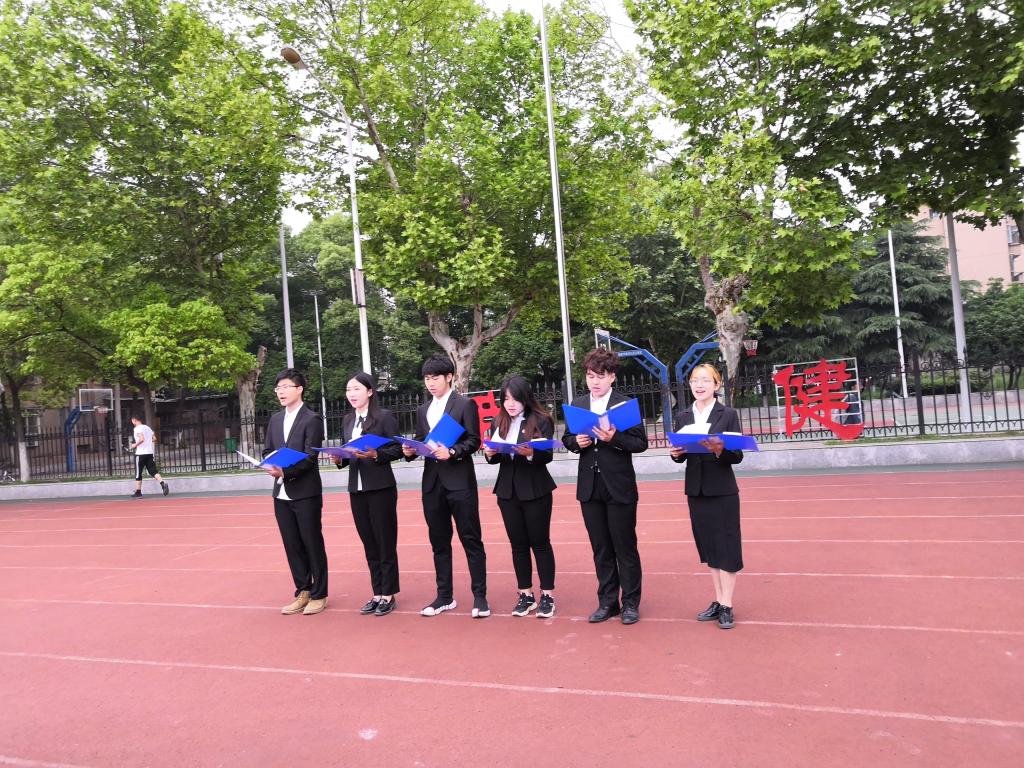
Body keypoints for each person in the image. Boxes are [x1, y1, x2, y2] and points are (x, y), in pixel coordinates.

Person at [562, 348, 648, 625]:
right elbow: (567, 438)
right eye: (590, 376)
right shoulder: (579, 404)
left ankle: (631, 603)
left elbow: (640, 443)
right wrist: (577, 442)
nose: (595, 381)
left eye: (600, 376)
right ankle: (608, 602)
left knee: (625, 546)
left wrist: (614, 438)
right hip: (590, 486)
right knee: (601, 548)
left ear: (612, 376)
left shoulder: (625, 405)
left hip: (619, 486)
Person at [402, 354, 489, 618]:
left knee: (470, 539)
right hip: (432, 484)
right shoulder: (423, 410)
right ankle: (444, 596)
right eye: (427, 379)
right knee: (439, 542)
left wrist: (452, 452)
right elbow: (421, 440)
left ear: (449, 377)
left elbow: (474, 440)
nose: (430, 383)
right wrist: (410, 450)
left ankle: (480, 597)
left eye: (435, 378)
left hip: (459, 481)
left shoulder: (464, 404)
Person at [669, 363, 745, 630]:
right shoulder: (682, 416)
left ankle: (727, 604)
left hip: (722, 489)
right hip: (696, 490)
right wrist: (676, 454)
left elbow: (737, 455)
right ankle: (718, 599)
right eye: (694, 380)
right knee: (709, 546)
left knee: (727, 546)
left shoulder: (728, 414)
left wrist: (718, 449)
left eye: (705, 380)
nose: (699, 385)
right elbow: (681, 455)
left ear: (716, 384)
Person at [483, 376, 558, 618]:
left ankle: (547, 595)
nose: (510, 404)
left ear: (525, 397)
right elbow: (495, 457)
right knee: (518, 545)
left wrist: (530, 454)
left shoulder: (541, 419)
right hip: (507, 491)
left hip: (536, 490)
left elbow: (547, 456)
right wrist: (490, 453)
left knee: (540, 542)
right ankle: (525, 594)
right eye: (506, 399)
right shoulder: (498, 421)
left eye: (515, 399)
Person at [333, 372, 404, 616]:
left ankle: (389, 593)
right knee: (369, 543)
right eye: (348, 390)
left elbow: (398, 449)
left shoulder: (384, 417)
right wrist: (339, 458)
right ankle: (377, 592)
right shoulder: (347, 420)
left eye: (356, 389)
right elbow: (348, 453)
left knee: (385, 541)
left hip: (381, 487)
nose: (351, 394)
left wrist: (376, 454)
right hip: (357, 488)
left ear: (370, 391)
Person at [264, 369, 328, 616]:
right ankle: (303, 590)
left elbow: (311, 457)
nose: (281, 392)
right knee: (292, 544)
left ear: (299, 389)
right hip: (281, 493)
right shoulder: (275, 419)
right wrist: (269, 464)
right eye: (278, 388)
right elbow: (268, 449)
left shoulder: (312, 419)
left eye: (286, 387)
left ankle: (319, 594)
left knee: (312, 543)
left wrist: (286, 471)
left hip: (305, 492)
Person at [128, 415, 169, 498]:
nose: (132, 422)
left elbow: (142, 439)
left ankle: (138, 492)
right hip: (149, 453)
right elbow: (154, 439)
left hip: (140, 454)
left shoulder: (137, 428)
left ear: (134, 420)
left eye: (132, 420)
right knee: (153, 471)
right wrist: (147, 441)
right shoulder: (147, 428)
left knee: (138, 473)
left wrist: (134, 445)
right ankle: (162, 483)